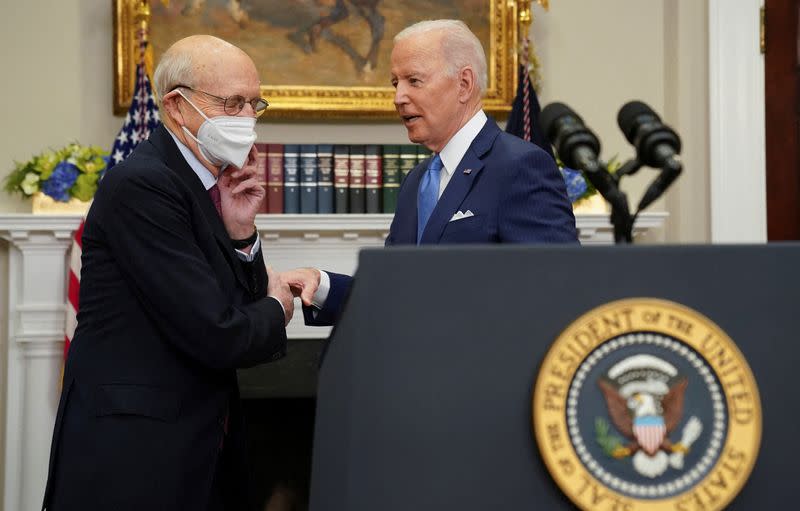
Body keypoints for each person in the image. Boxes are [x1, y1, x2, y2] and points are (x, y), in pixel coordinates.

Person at [42, 35, 294, 511]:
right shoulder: (144, 183)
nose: (247, 119)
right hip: (134, 456)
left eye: (253, 104)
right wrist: (278, 307)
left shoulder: (200, 185)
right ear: (178, 107)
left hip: (192, 445)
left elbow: (233, 306)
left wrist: (241, 233)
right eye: (232, 103)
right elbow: (217, 332)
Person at [284, 19, 578, 325]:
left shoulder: (521, 166)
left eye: (414, 80)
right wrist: (321, 285)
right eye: (395, 83)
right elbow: (397, 291)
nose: (399, 97)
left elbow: (557, 289)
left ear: (464, 84)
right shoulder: (418, 180)